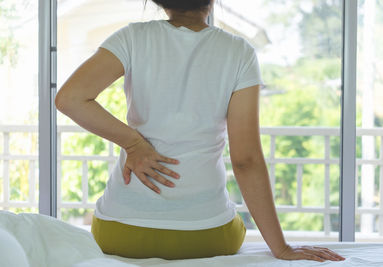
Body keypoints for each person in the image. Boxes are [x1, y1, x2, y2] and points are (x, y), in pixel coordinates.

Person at [55, 0, 345, 262]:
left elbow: (69, 99)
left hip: (119, 231)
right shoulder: (239, 52)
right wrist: (281, 248)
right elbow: (246, 160)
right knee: (232, 222)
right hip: (207, 235)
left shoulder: (131, 37)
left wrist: (134, 145)